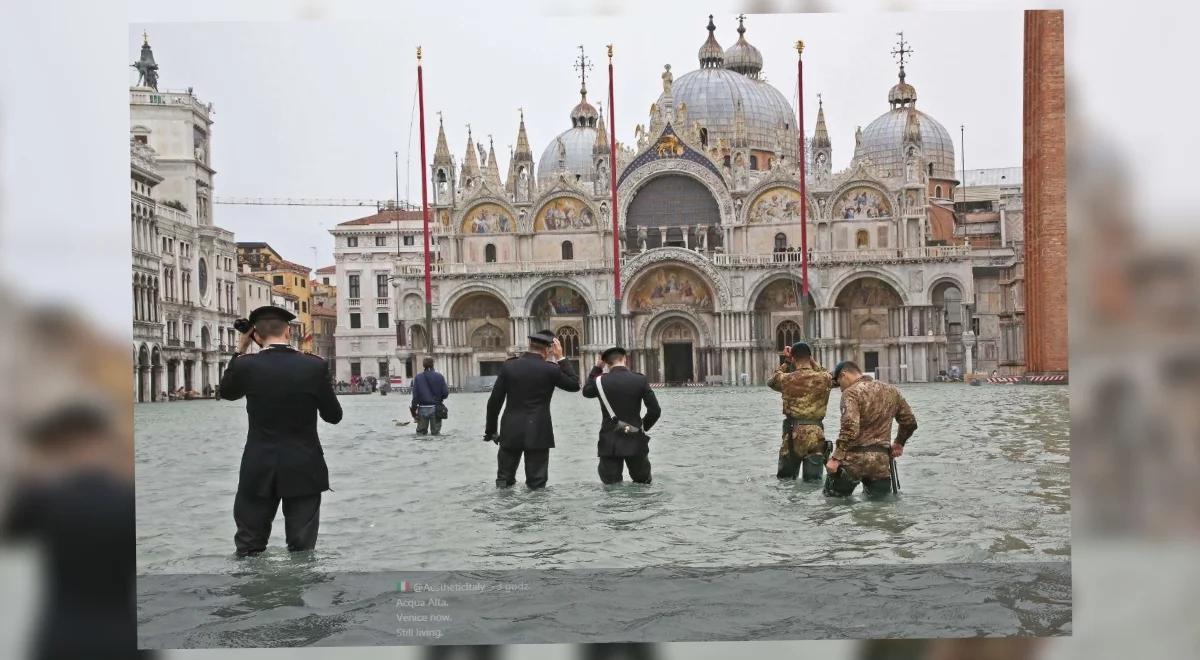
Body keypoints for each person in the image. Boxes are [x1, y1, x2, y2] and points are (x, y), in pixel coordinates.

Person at [219, 305, 343, 556]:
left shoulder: (246, 366)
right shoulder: (314, 366)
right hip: (304, 467)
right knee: (302, 551)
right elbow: (334, 416)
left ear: (255, 335)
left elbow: (226, 393)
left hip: (258, 467)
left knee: (248, 547)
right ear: (288, 331)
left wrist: (239, 349)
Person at [483, 329, 580, 489]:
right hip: (539, 431)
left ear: (529, 345)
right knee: (537, 484)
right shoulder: (551, 369)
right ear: (549, 349)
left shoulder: (509, 366)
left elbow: (494, 403)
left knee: (503, 480)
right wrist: (561, 358)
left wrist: (491, 431)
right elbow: (574, 385)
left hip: (510, 430)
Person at [824, 361, 917, 498]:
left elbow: (850, 427)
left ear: (844, 375)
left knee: (832, 504)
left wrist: (836, 458)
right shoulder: (891, 391)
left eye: (839, 383)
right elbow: (910, 422)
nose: (841, 389)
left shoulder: (851, 393)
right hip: (881, 463)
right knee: (881, 510)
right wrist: (899, 443)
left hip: (852, 462)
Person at [582, 346, 661, 484]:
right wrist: (642, 426)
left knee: (611, 489)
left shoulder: (600, 381)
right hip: (635, 439)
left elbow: (586, 391)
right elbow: (655, 410)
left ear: (606, 363)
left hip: (609, 441)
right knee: (643, 484)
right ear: (625, 359)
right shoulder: (639, 380)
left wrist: (597, 368)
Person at [767, 341, 833, 481]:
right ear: (809, 358)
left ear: (793, 358)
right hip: (816, 436)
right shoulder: (824, 378)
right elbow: (829, 375)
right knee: (813, 483)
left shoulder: (786, 379)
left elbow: (771, 381)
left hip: (792, 435)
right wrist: (813, 361)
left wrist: (786, 361)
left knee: (786, 481)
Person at [410, 356, 449, 436]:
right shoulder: (439, 377)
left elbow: (415, 397)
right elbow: (445, 393)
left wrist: (414, 410)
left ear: (423, 365)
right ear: (433, 364)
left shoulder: (418, 378)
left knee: (420, 435)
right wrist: (439, 399)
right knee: (436, 434)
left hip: (422, 409)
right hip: (436, 409)